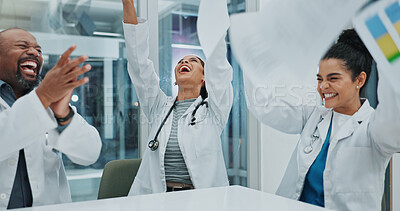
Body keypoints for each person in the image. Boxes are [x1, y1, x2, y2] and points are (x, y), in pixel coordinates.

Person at [244, 28, 400, 211]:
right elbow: (262, 106)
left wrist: (387, 46)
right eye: (320, 79)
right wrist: (252, 48)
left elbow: (393, 111)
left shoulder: (372, 129)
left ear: (359, 80)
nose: (323, 86)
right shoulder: (313, 116)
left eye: (333, 79)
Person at [122, 0, 233, 195]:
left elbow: (218, 62)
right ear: (175, 80)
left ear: (205, 77)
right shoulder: (159, 107)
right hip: (157, 199)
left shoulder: (214, 110)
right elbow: (139, 64)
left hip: (200, 200)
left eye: (193, 61)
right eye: (181, 61)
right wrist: (127, 2)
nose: (185, 62)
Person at [0, 28, 102, 209]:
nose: (34, 52)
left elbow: (90, 154)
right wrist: (42, 97)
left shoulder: (50, 102)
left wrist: (64, 115)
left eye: (38, 50)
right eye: (22, 46)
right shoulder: (42, 99)